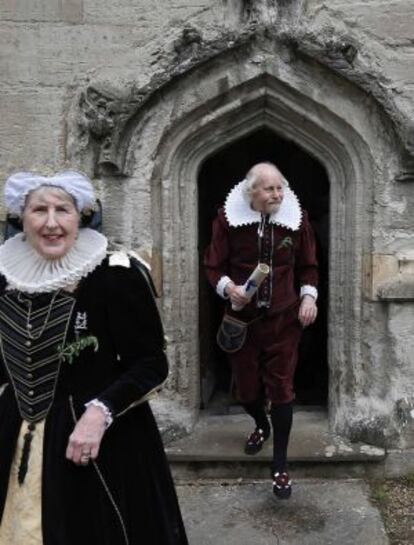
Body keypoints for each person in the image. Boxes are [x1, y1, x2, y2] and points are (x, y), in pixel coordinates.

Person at [0, 171, 188, 544]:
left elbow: (151, 363)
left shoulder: (115, 275)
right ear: (22, 218)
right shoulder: (5, 276)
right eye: (39, 210)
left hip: (97, 440)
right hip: (15, 435)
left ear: (80, 217)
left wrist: (99, 412)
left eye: (63, 210)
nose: (51, 222)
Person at [204, 162, 318, 499]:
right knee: (247, 390)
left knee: (282, 388)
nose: (277, 195)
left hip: (284, 320)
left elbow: (309, 264)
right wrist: (228, 289)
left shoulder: (296, 218)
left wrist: (308, 298)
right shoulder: (228, 219)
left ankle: (280, 465)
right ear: (250, 191)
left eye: (280, 188)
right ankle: (260, 423)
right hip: (242, 320)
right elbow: (213, 265)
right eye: (269, 189)